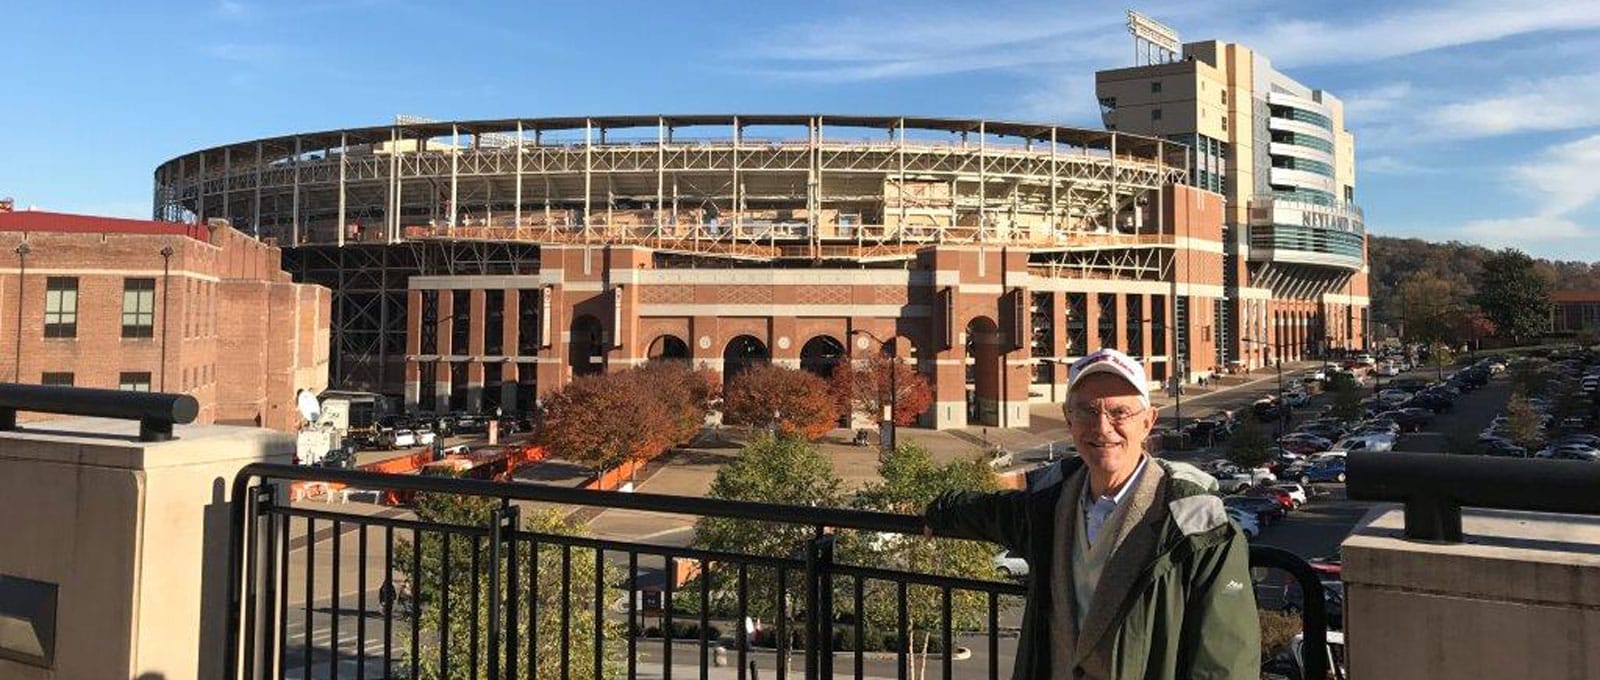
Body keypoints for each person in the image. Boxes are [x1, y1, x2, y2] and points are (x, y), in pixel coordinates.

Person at [924, 348, 1259, 679]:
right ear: (1068, 419)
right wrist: (942, 510)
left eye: (1119, 412)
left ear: (1148, 422)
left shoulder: (1196, 525)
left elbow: (1224, 661)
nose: (1102, 427)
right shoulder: (1048, 505)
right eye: (1087, 410)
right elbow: (990, 512)